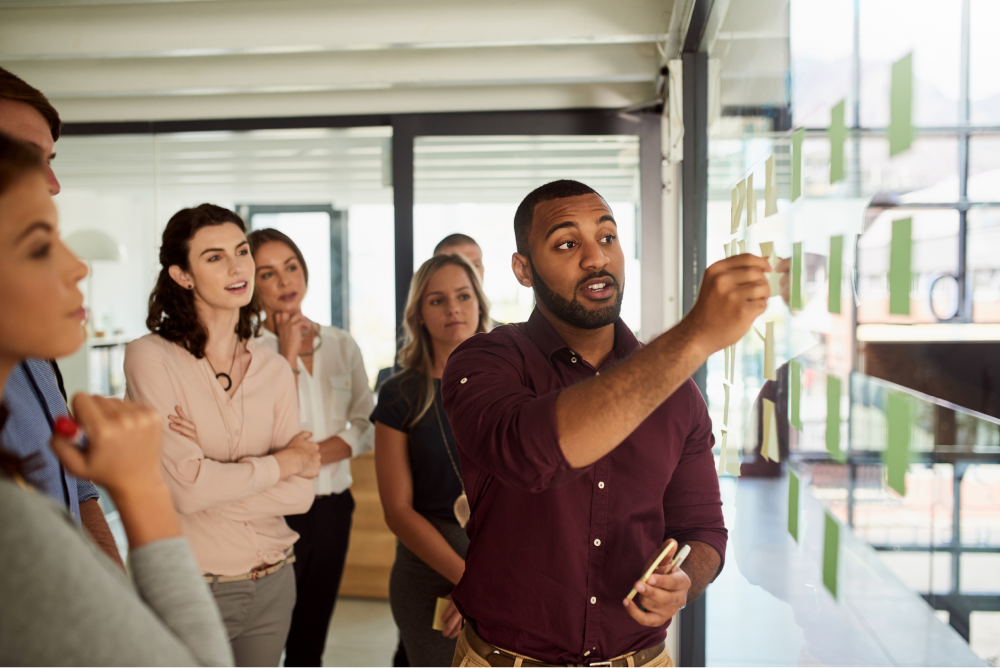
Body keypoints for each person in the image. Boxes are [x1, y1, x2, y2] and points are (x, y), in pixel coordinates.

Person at [441, 180, 771, 667]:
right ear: (523, 270)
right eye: (567, 243)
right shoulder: (486, 360)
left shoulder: (679, 394)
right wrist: (695, 336)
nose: (596, 259)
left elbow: (703, 530)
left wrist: (684, 580)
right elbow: (531, 454)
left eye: (608, 238)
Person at [0, 131, 233, 668]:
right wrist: (140, 487)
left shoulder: (41, 370)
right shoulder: (11, 525)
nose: (79, 267)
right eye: (39, 245)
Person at [124, 204, 321, 668]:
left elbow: (302, 494)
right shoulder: (150, 358)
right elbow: (189, 492)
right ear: (182, 274)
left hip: (274, 582)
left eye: (241, 251)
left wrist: (210, 482)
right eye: (214, 257)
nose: (237, 267)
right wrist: (282, 463)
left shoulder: (273, 365)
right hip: (195, 586)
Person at [0, 66, 122, 568]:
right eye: (39, 246)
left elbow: (78, 488)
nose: (51, 182)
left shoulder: (35, 344)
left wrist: (116, 591)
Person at [248, 228, 375, 668]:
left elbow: (364, 423)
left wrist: (306, 459)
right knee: (267, 634)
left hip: (334, 508)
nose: (285, 281)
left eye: (291, 267)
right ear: (251, 282)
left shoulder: (341, 344)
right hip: (272, 511)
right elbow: (257, 433)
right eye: (268, 273)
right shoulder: (246, 351)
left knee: (312, 635)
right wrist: (286, 352)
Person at [372, 253, 491, 668]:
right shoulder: (398, 392)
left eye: (463, 296)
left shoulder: (514, 384)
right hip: (430, 574)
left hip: (506, 569)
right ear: (419, 314)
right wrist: (469, 581)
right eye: (437, 300)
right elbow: (398, 511)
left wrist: (489, 583)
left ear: (479, 304)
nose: (454, 308)